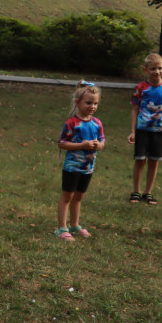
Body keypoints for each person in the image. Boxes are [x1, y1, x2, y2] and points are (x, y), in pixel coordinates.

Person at [127, 53, 162, 205]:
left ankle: (148, 192)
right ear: (145, 70)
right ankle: (136, 191)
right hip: (143, 130)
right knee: (140, 160)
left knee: (154, 161)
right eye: (152, 69)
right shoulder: (141, 88)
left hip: (160, 130)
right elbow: (134, 110)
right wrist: (133, 131)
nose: (156, 72)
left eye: (159, 68)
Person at [56, 83, 104, 240]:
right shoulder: (72, 123)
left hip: (88, 168)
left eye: (95, 103)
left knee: (78, 197)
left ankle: (75, 225)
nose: (92, 106)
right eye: (88, 102)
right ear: (77, 102)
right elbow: (62, 143)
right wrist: (81, 145)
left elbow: (102, 141)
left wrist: (99, 145)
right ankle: (62, 228)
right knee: (67, 196)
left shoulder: (97, 123)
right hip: (72, 167)